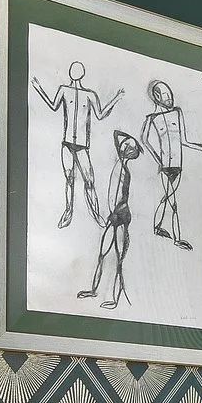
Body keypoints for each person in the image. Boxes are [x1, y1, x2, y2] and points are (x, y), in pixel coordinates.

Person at [30, 61, 121, 227]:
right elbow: (53, 105)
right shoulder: (64, 90)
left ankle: (97, 214)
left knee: (89, 181)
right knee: (69, 180)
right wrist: (38, 88)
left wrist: (115, 99)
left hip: (82, 146)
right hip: (67, 144)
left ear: (82, 73)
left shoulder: (90, 95)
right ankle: (68, 212)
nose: (75, 71)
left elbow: (100, 115)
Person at [140, 79, 202, 249]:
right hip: (164, 167)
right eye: (165, 95)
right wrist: (157, 159)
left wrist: (198, 146)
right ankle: (177, 238)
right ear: (156, 97)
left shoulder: (177, 113)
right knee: (172, 201)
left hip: (178, 165)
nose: (169, 98)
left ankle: (157, 227)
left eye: (170, 94)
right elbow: (144, 139)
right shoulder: (152, 118)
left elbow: (183, 140)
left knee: (166, 198)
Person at [79, 129, 141, 310]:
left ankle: (116, 297)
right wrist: (128, 136)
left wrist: (115, 213)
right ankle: (94, 289)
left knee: (118, 258)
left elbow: (123, 198)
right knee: (102, 253)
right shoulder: (118, 163)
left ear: (131, 152)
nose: (123, 145)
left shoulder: (125, 170)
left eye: (128, 145)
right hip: (113, 216)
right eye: (125, 143)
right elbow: (115, 133)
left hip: (121, 217)